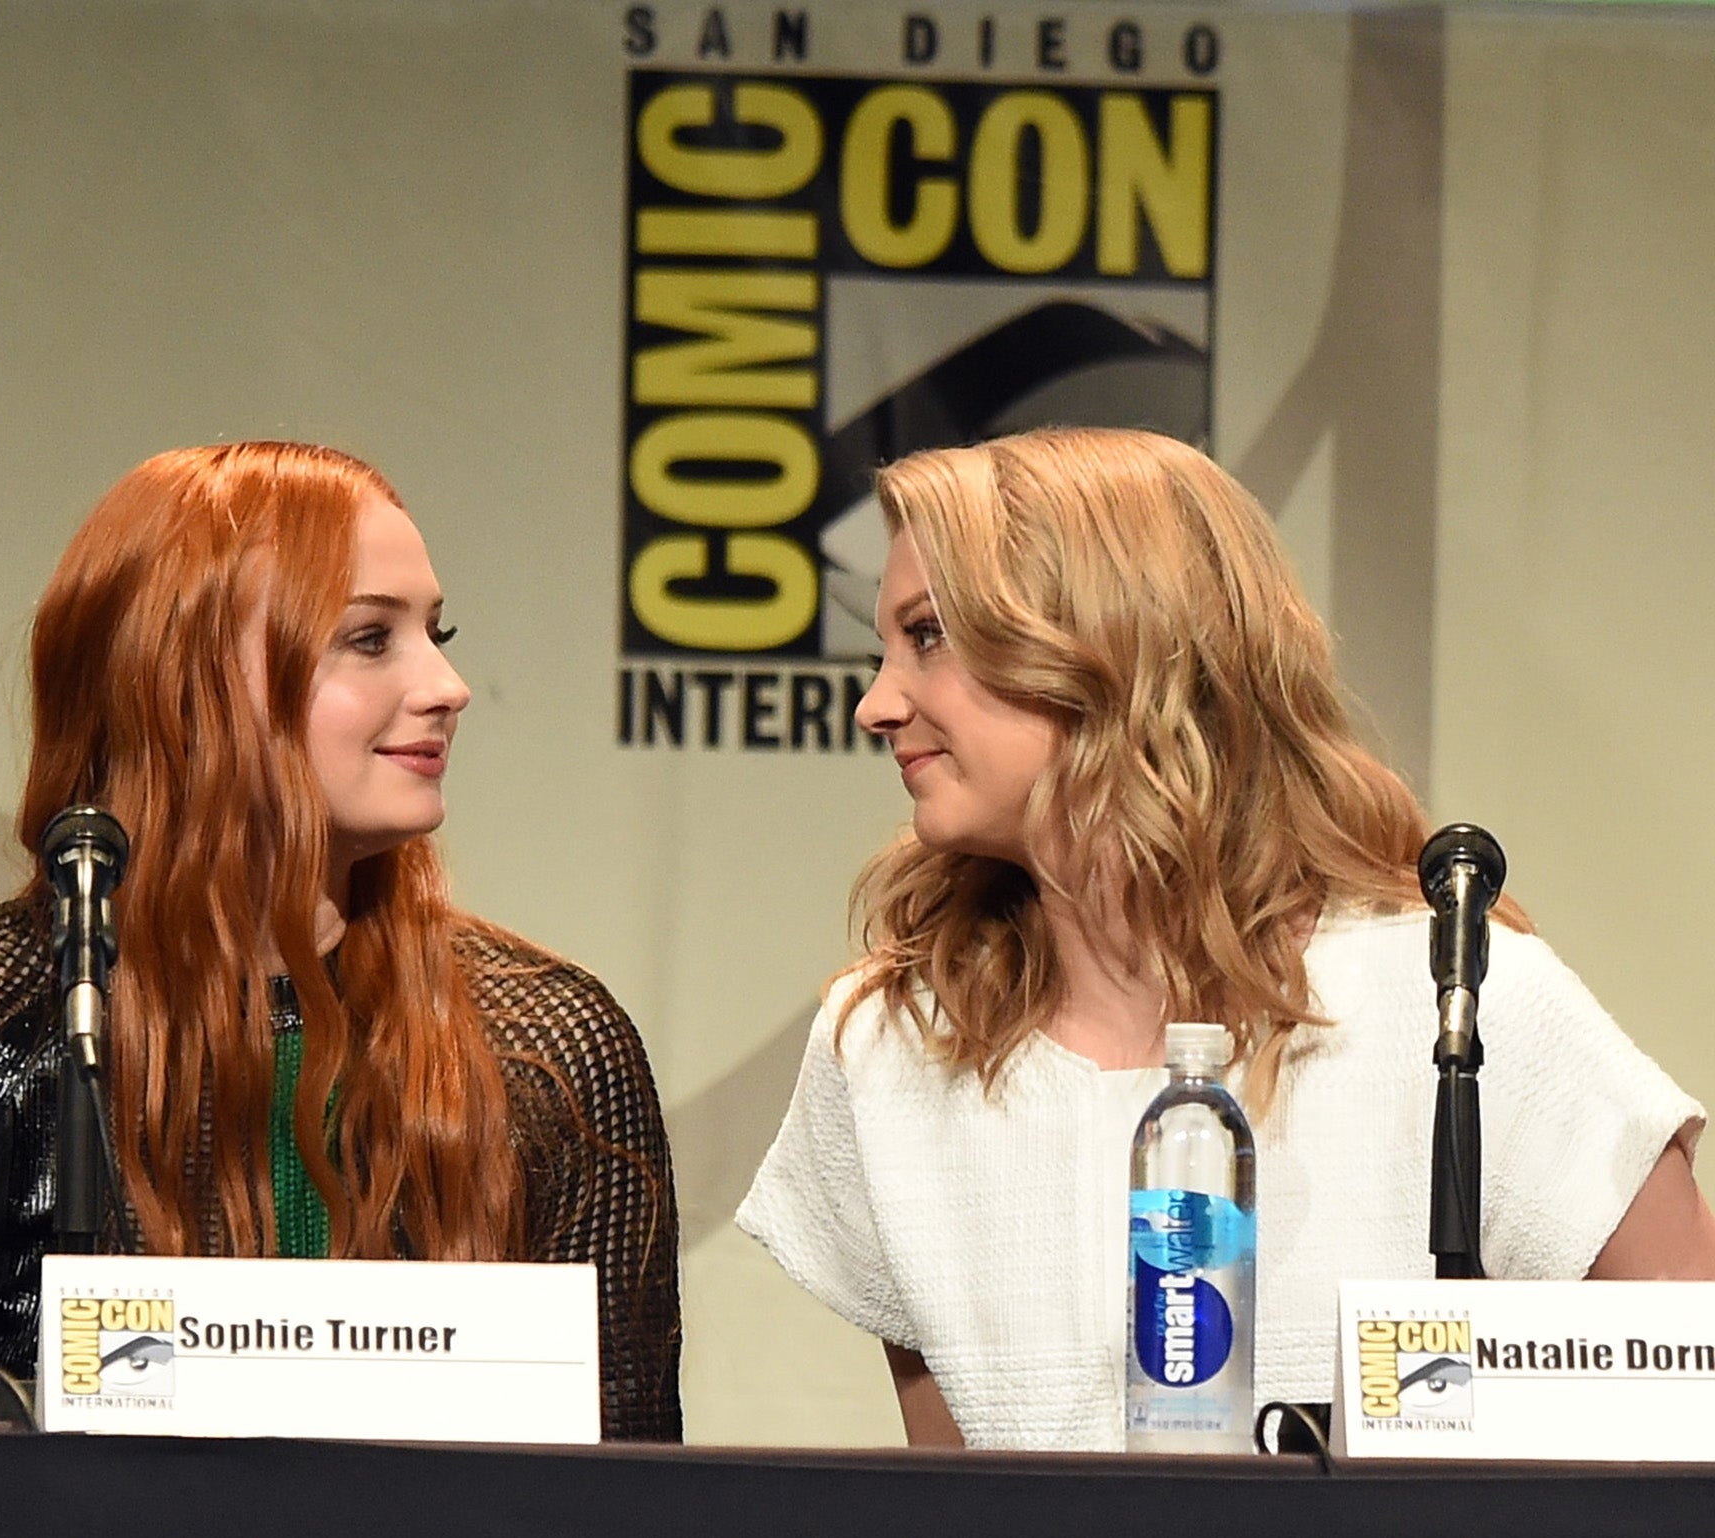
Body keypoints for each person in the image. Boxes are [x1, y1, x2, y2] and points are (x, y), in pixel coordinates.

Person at [735, 427, 1715, 1451]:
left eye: (927, 635)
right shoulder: (888, 1042)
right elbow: (955, 1499)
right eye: (883, 648)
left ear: (1109, 642)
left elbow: (1689, 1402)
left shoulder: (1454, 1001)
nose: (875, 703)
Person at [0, 441, 681, 1437]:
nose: (448, 684)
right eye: (368, 638)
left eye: (435, 631)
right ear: (182, 685)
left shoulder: (551, 1042)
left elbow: (635, 1486)